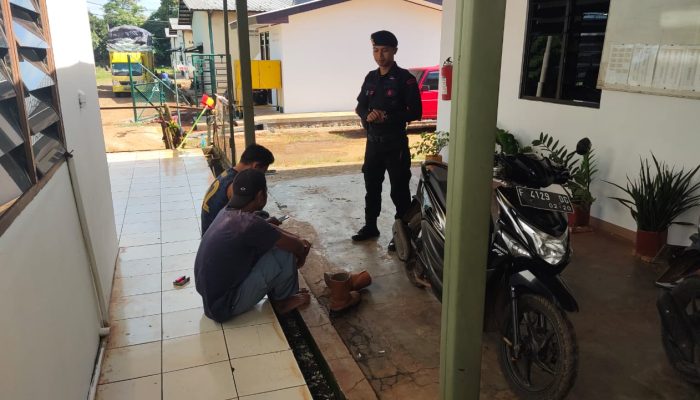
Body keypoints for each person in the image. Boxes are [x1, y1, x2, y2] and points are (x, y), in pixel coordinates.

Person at [194, 169, 312, 322]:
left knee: (274, 244)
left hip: (212, 300)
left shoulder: (227, 212)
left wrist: (296, 238)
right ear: (260, 196)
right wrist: (301, 251)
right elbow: (294, 246)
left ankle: (282, 293)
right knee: (284, 253)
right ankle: (283, 301)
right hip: (225, 306)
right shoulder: (249, 224)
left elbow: (267, 228)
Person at [352, 30, 422, 249]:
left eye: (384, 50)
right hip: (373, 144)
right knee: (371, 187)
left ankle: (403, 234)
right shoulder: (370, 78)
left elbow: (416, 112)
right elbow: (360, 106)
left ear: (394, 51)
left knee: (399, 191)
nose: (380, 55)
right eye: (376, 50)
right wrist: (367, 115)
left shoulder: (406, 79)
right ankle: (370, 226)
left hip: (395, 144)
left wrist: (388, 116)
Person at [200, 144, 275, 234]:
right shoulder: (237, 185)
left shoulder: (228, 174)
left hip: (211, 233)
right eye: (263, 172)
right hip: (219, 237)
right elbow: (244, 221)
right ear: (256, 166)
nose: (262, 175)